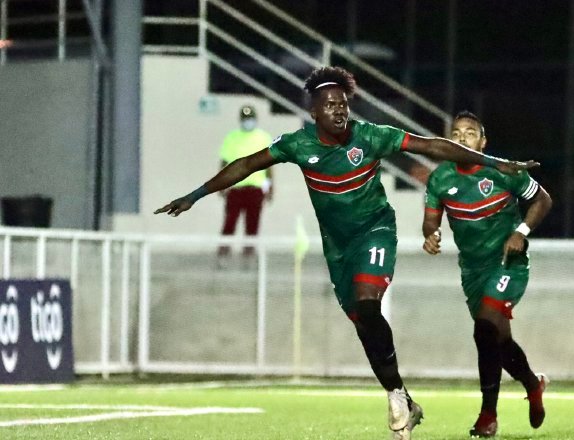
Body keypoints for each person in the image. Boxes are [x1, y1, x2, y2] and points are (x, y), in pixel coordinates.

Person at [155, 66, 538, 440]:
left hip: (375, 231)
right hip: (337, 249)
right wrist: (195, 195)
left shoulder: (371, 136)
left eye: (344, 103)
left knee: (370, 305)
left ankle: (404, 400)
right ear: (314, 112)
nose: (339, 110)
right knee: (364, 324)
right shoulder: (298, 145)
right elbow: (246, 164)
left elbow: (430, 145)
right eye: (330, 104)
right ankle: (401, 395)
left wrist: (496, 162)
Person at [421, 111, 552, 437]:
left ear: (483, 141)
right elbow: (430, 220)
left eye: (469, 132)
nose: (461, 137)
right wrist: (431, 234)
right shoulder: (440, 178)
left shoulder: (501, 169)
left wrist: (521, 230)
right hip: (472, 270)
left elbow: (543, 199)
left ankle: (487, 415)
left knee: (484, 327)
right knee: (498, 340)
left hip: (507, 262)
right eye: (455, 133)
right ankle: (533, 384)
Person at [217, 105, 273, 263]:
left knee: (252, 225)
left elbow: (269, 164)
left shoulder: (263, 137)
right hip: (236, 188)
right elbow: (224, 161)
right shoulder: (232, 137)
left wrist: (270, 186)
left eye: (250, 119)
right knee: (230, 222)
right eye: (245, 119)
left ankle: (248, 256)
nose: (248, 122)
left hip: (255, 188)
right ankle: (223, 255)